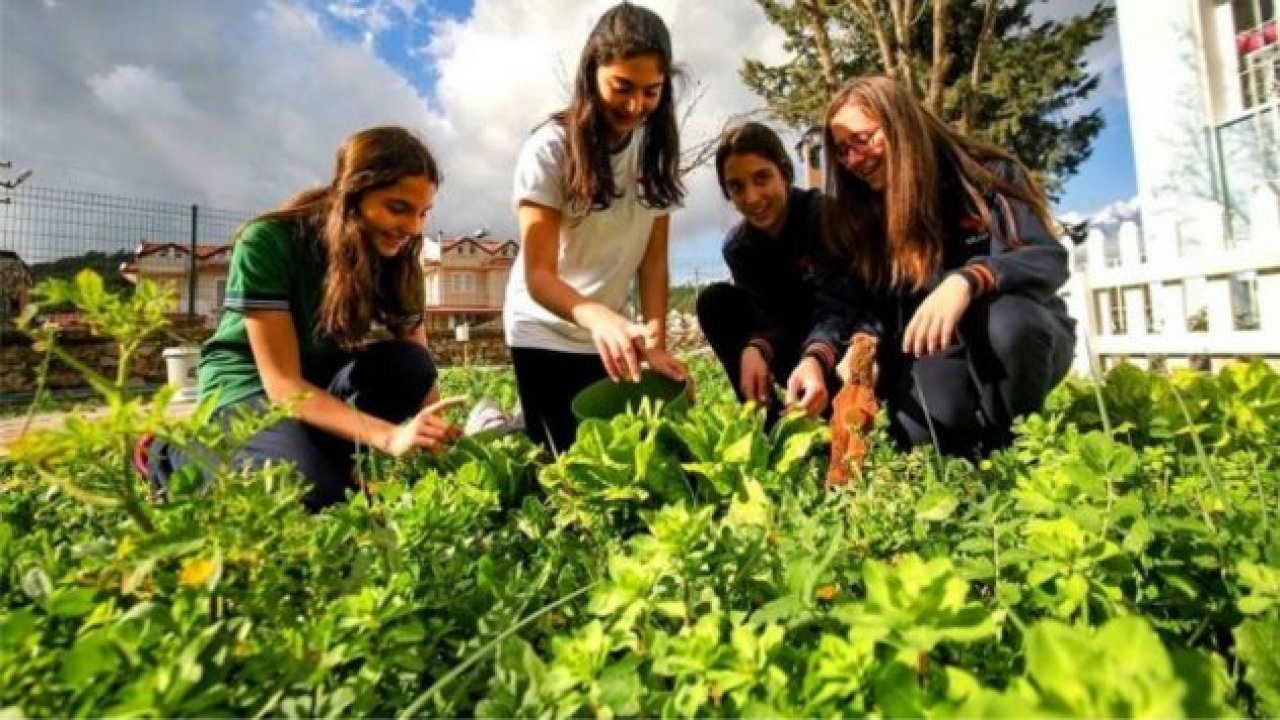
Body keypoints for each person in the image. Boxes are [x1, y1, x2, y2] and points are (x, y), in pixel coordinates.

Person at [140, 126, 462, 510]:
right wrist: (389, 437)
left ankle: (322, 458)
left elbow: (418, 358)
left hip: (320, 381)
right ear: (352, 196)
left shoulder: (400, 253)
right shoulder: (269, 240)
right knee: (308, 496)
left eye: (423, 213)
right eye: (398, 208)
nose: (413, 228)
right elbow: (282, 384)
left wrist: (435, 436)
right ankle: (170, 453)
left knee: (409, 364)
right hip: (251, 386)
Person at [786, 76, 1076, 457]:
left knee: (1008, 321)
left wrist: (968, 280)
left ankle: (1016, 448)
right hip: (936, 349)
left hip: (1018, 333)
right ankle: (973, 456)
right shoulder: (859, 215)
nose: (854, 159)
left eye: (864, 138)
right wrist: (843, 351)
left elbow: (1047, 257)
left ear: (901, 126)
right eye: (842, 150)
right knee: (922, 437)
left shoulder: (985, 176)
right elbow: (854, 302)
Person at [503, 1, 687, 453]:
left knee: (631, 455)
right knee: (562, 464)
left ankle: (524, 421)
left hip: (609, 338)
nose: (635, 105)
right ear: (591, 73)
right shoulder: (549, 150)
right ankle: (500, 425)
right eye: (622, 87)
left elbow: (653, 261)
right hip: (544, 325)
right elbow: (540, 276)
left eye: (651, 91)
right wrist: (600, 316)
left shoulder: (655, 149)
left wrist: (654, 343)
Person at [695, 122, 839, 424]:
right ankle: (768, 422)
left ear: (785, 173)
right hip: (791, 348)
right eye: (736, 186)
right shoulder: (739, 248)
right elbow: (774, 318)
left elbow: (839, 305)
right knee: (715, 301)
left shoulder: (822, 216)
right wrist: (755, 347)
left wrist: (815, 357)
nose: (752, 197)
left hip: (840, 343)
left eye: (762, 178)